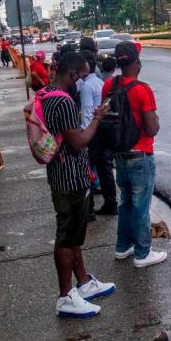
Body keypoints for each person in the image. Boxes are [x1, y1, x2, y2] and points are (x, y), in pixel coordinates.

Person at [40, 51, 115, 318]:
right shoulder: (63, 102)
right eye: (82, 77)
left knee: (74, 234)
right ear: (72, 74)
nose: (83, 82)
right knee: (67, 236)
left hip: (63, 174)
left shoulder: (47, 93)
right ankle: (65, 296)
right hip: (69, 178)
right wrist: (98, 118)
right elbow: (78, 142)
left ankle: (83, 283)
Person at [102, 42, 167, 268]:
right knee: (140, 207)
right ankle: (142, 253)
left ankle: (123, 246)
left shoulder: (109, 85)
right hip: (140, 154)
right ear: (137, 62)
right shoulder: (142, 89)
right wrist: (156, 120)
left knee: (126, 203)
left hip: (119, 153)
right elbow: (152, 128)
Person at [78, 50, 116, 216]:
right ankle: (111, 204)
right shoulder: (100, 82)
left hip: (93, 132)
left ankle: (89, 209)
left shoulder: (86, 86)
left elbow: (87, 112)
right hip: (103, 130)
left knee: (86, 170)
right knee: (105, 169)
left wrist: (85, 135)